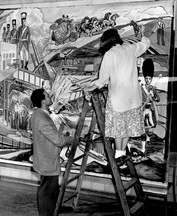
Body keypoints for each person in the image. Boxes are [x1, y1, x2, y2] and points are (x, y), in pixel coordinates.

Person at [84, 26, 150, 160]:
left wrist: (88, 87)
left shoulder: (110, 54)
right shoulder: (130, 49)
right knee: (127, 128)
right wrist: (141, 34)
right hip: (133, 97)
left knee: (118, 129)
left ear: (106, 41)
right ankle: (122, 153)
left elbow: (102, 80)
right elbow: (145, 44)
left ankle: (118, 154)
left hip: (118, 97)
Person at [30, 88, 74, 216]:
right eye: (48, 95)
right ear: (43, 101)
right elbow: (58, 141)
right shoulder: (41, 118)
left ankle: (55, 207)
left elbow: (51, 135)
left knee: (52, 188)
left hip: (46, 157)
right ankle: (45, 213)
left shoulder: (39, 113)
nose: (50, 97)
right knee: (47, 190)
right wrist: (71, 139)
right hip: (47, 160)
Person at [141, 58, 160, 143]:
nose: (148, 80)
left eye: (149, 78)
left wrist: (153, 96)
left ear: (151, 79)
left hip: (151, 108)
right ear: (144, 78)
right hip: (143, 107)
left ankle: (148, 138)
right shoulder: (141, 88)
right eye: (146, 78)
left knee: (151, 124)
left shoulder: (153, 88)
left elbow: (158, 99)